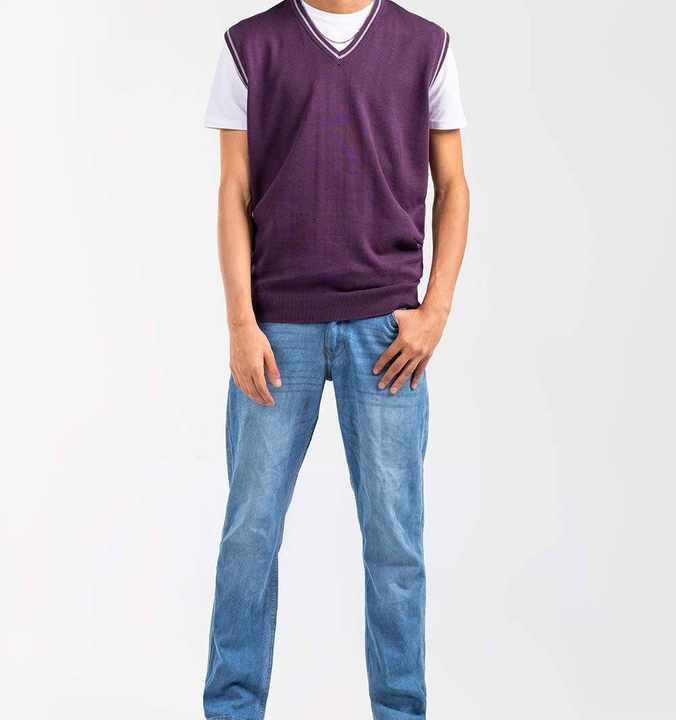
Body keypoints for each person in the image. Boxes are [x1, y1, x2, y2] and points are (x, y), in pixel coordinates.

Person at [203, 1, 469, 718]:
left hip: (386, 333)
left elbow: (454, 185)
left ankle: (401, 711)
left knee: (395, 545)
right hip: (275, 329)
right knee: (249, 536)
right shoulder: (250, 46)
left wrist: (436, 310)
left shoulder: (426, 46)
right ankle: (231, 710)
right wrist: (239, 322)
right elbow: (233, 188)